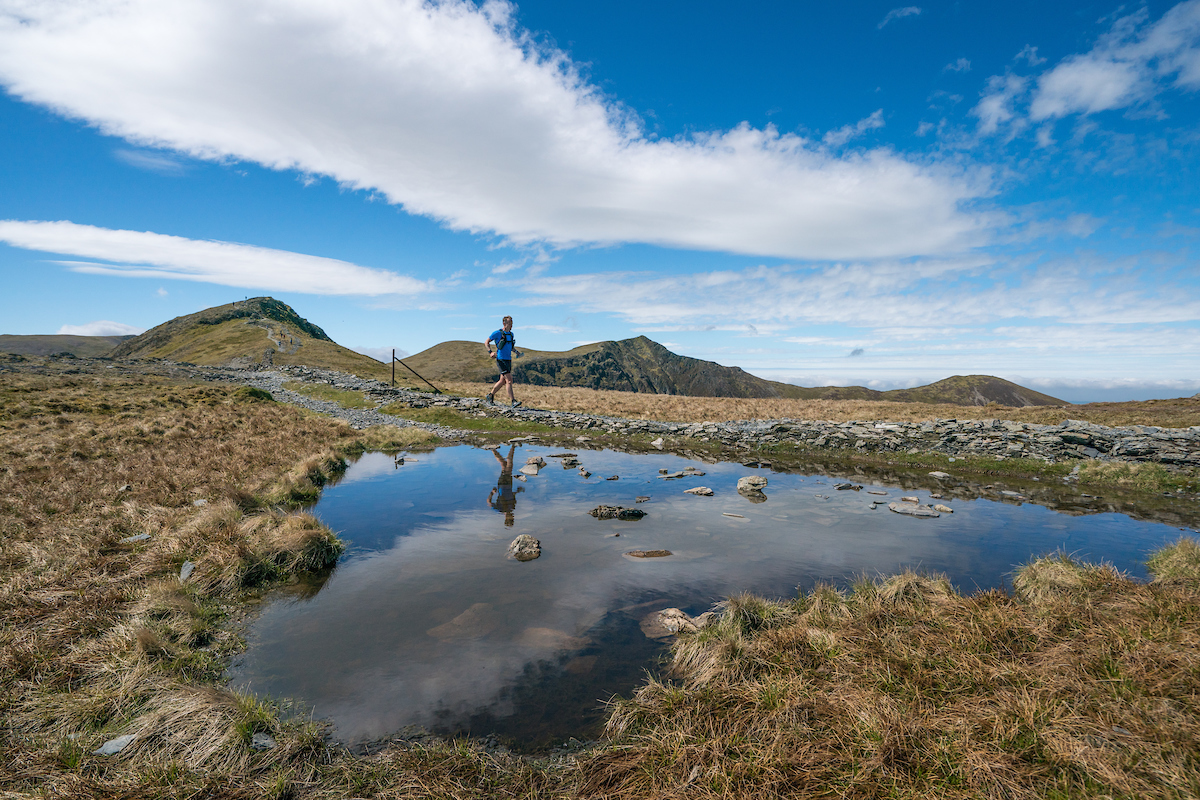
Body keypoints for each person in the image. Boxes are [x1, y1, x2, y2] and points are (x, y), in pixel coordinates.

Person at [484, 315, 522, 407]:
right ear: (504, 323)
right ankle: (513, 401)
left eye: (512, 323)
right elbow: (486, 342)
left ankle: (490, 395)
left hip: (508, 359)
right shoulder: (497, 333)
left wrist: (516, 352)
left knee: (502, 381)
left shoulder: (511, 334)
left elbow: (510, 346)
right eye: (509, 323)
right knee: (509, 380)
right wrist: (490, 352)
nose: (511, 325)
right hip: (501, 359)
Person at [486, 445, 522, 527]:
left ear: (506, 518)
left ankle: (513, 446)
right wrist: (518, 491)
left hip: (502, 485)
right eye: (512, 518)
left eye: (510, 518)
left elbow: (489, 502)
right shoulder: (512, 507)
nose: (512, 516)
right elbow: (512, 495)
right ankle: (493, 449)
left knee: (508, 465)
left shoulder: (499, 509)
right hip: (509, 485)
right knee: (504, 464)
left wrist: (492, 493)